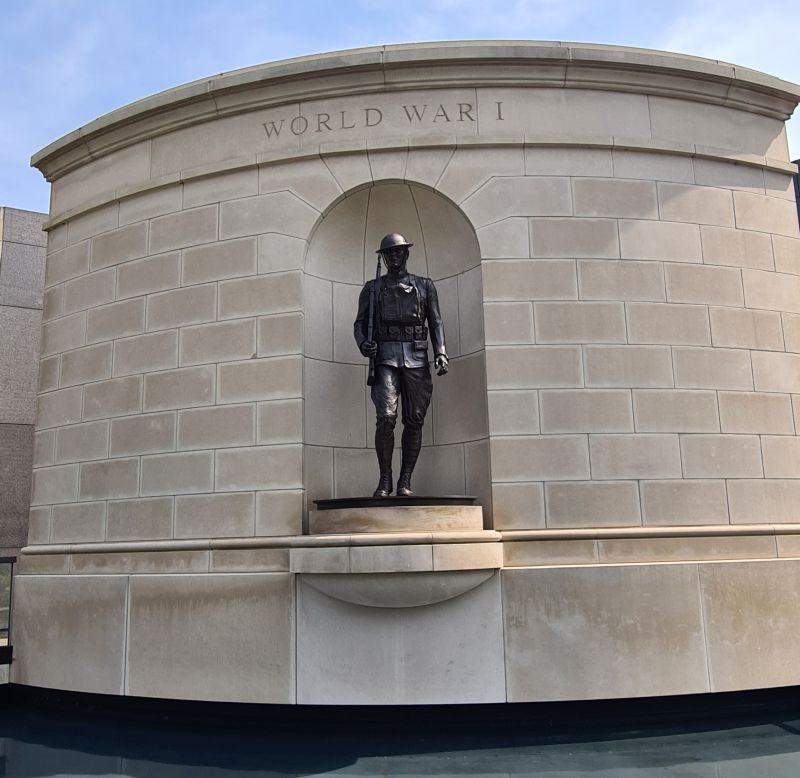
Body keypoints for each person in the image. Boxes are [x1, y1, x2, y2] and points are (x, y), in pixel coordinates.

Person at [354, 233, 449, 497]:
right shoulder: (371, 288)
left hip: (417, 357)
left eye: (398, 252)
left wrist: (440, 352)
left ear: (406, 254)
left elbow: (436, 322)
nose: (394, 257)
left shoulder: (425, 286)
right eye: (389, 253)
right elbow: (359, 325)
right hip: (385, 357)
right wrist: (364, 345)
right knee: (386, 418)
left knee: (414, 420)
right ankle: (385, 479)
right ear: (383, 258)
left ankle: (405, 480)